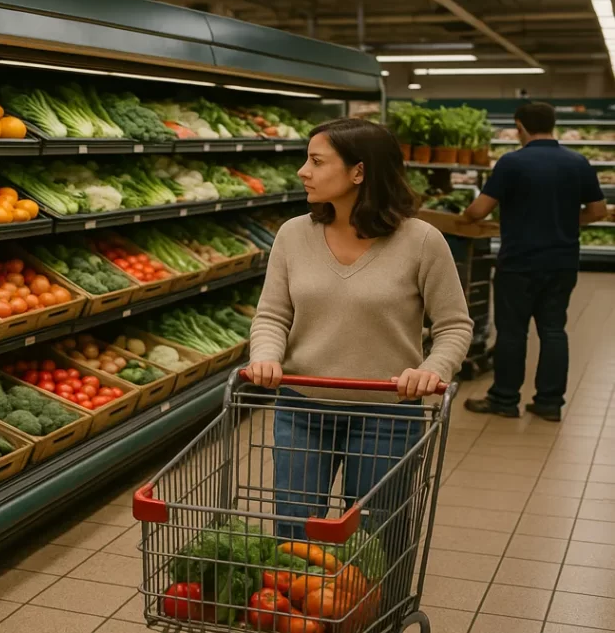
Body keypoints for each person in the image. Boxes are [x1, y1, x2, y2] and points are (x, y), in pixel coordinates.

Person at [245, 119, 472, 618]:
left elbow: (455, 326)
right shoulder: (292, 236)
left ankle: (369, 620)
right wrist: (265, 354)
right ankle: (300, 620)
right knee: (294, 531)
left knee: (375, 536)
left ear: (359, 172)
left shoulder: (422, 241)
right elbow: (273, 314)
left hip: (388, 413)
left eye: (317, 161)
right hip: (302, 406)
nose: (303, 171)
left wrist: (432, 368)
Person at [459, 102, 609, 421]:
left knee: (513, 332)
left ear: (520, 127)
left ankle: (504, 399)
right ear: (553, 125)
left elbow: (477, 211)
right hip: (562, 261)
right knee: (554, 329)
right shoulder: (577, 162)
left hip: (519, 262)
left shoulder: (512, 163)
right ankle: (549, 403)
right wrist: (567, 221)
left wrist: (464, 219)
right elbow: (598, 211)